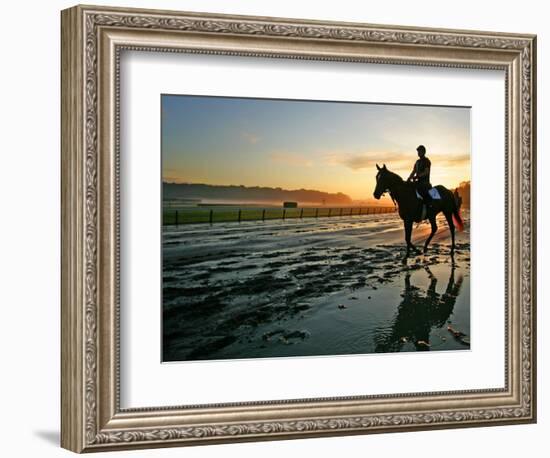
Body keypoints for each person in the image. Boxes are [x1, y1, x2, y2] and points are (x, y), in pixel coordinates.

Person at [407, 145, 433, 210]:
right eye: (418, 151)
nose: (418, 153)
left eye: (419, 151)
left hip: (425, 182)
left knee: (422, 190)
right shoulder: (417, 162)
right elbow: (413, 171)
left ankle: (429, 206)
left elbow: (426, 172)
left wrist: (418, 176)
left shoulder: (427, 161)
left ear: (423, 152)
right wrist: (409, 178)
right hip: (418, 182)